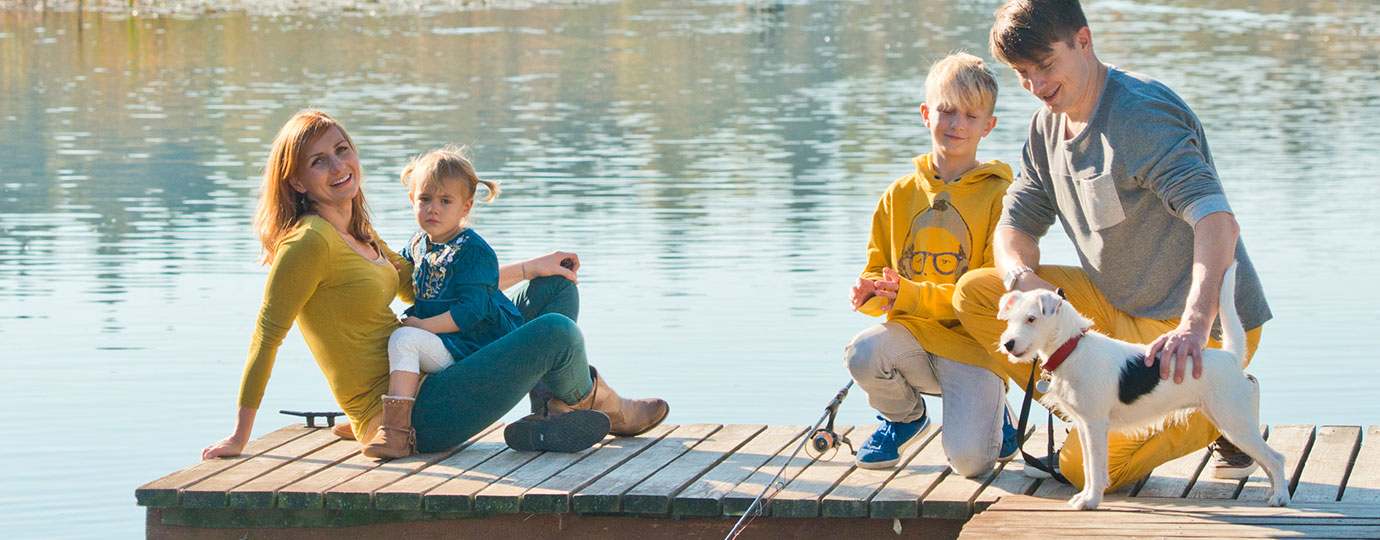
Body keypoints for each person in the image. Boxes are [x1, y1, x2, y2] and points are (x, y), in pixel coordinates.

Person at [202, 110, 668, 461]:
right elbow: (267, 335)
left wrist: (530, 268)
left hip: (438, 366)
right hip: (410, 415)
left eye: (342, 149)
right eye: (318, 161)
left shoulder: (359, 233)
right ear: (298, 181)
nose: (338, 165)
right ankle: (601, 406)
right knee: (556, 333)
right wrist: (240, 436)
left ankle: (554, 411)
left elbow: (442, 288)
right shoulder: (307, 243)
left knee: (555, 292)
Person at [952, 0, 1271, 492]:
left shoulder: (1140, 116)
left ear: (1083, 41)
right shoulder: (1045, 128)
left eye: (1045, 65)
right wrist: (1021, 276)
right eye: (1021, 73)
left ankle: (1224, 400)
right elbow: (1013, 228)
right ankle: (1087, 400)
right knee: (977, 291)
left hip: (1190, 326)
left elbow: (1218, 222)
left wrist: (1195, 325)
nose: (1036, 86)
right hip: (1115, 309)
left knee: (1087, 473)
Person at [363, 146, 607, 459]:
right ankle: (579, 404)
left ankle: (553, 407)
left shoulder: (474, 250)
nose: (433, 209)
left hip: (470, 346)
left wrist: (423, 325)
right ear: (412, 200)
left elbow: (471, 310)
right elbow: (405, 277)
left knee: (558, 288)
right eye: (425, 199)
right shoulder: (418, 243)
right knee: (405, 339)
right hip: (448, 347)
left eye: (445, 201)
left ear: (466, 207)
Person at [843, 52, 1021, 476]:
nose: (956, 124)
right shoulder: (897, 195)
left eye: (970, 115)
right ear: (926, 114)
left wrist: (910, 293)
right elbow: (879, 269)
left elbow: (991, 294)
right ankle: (905, 417)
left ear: (988, 126)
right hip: (915, 337)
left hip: (975, 347)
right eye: (946, 110)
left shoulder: (1002, 198)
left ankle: (997, 413)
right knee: (862, 352)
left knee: (971, 463)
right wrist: (870, 292)